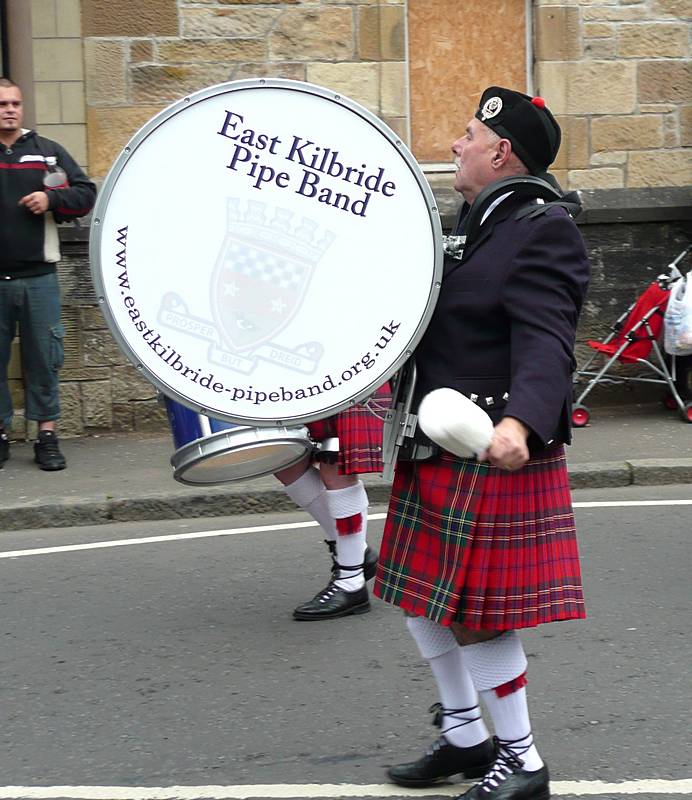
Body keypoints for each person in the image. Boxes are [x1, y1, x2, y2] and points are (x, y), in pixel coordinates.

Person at [374, 86, 591, 800]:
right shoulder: (475, 225)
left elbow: (547, 339)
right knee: (419, 595)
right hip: (435, 439)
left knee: (475, 613)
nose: (455, 147)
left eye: (467, 136)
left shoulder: (541, 228)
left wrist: (521, 424)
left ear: (501, 152)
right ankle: (467, 735)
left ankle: (523, 761)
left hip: (488, 445)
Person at [0, 78, 96, 470]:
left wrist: (51, 198)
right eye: (2, 103)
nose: (9, 109)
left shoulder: (47, 153)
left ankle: (47, 436)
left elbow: (86, 194)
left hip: (39, 278)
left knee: (44, 360)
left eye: (15, 103)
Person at [275, 386, 388, 620]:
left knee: (336, 463)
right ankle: (358, 553)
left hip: (349, 369)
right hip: (292, 376)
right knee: (284, 459)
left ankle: (350, 583)